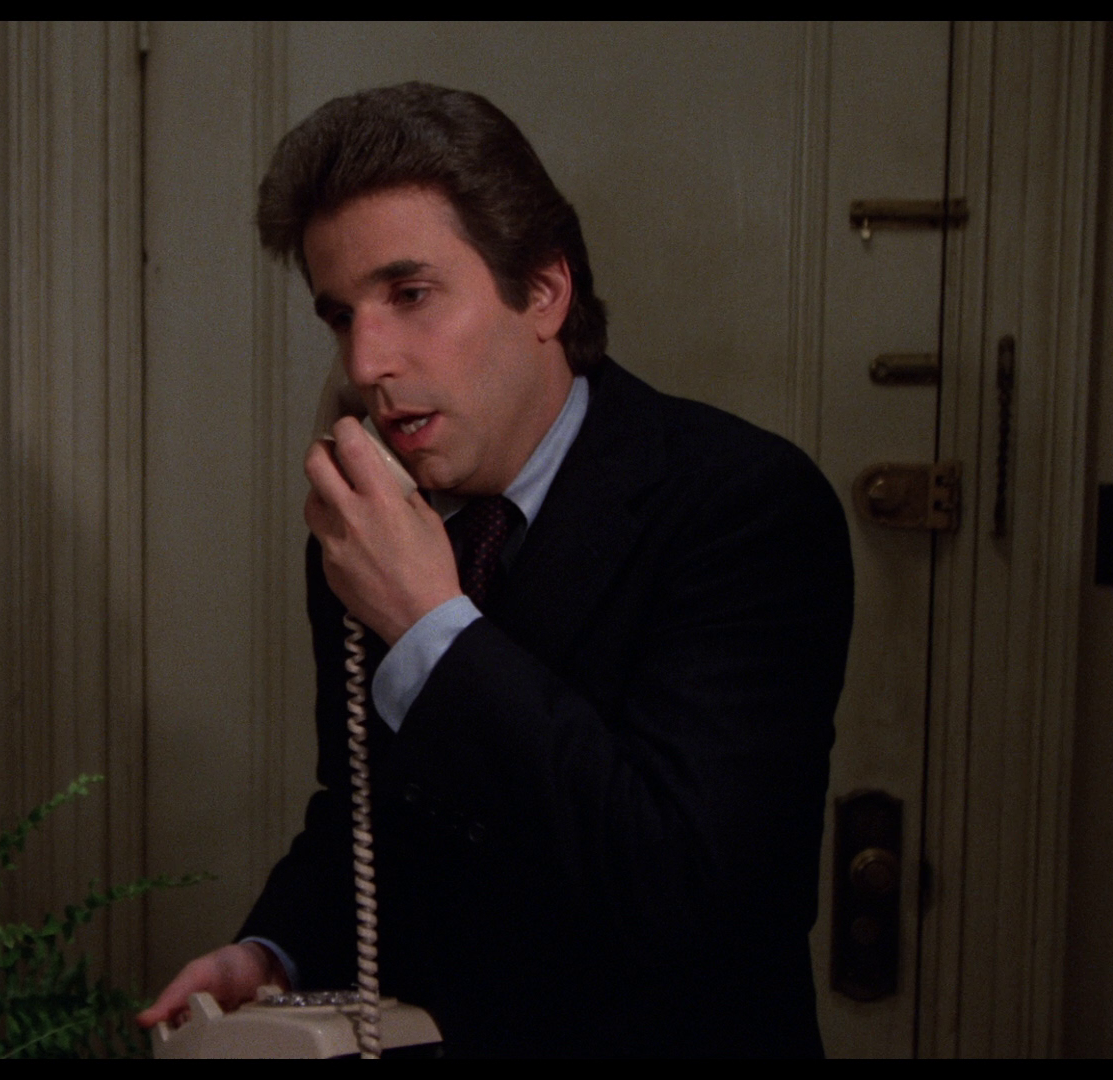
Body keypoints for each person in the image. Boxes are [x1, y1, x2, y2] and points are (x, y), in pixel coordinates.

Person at [136, 82, 853, 1057]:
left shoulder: (743, 504)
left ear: (544, 291)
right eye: (341, 316)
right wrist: (273, 953)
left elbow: (690, 887)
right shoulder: (373, 526)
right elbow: (370, 815)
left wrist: (431, 625)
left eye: (410, 295)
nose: (367, 362)